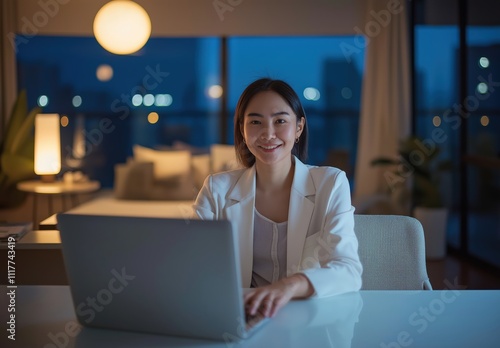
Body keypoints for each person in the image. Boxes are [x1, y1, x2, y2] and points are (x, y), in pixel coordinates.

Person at [193, 78, 362, 318]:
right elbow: (193, 264)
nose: (268, 133)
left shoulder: (330, 183)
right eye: (255, 122)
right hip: (240, 317)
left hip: (307, 317)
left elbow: (347, 270)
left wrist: (288, 286)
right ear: (242, 128)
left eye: (280, 121)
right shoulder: (216, 189)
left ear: (299, 128)